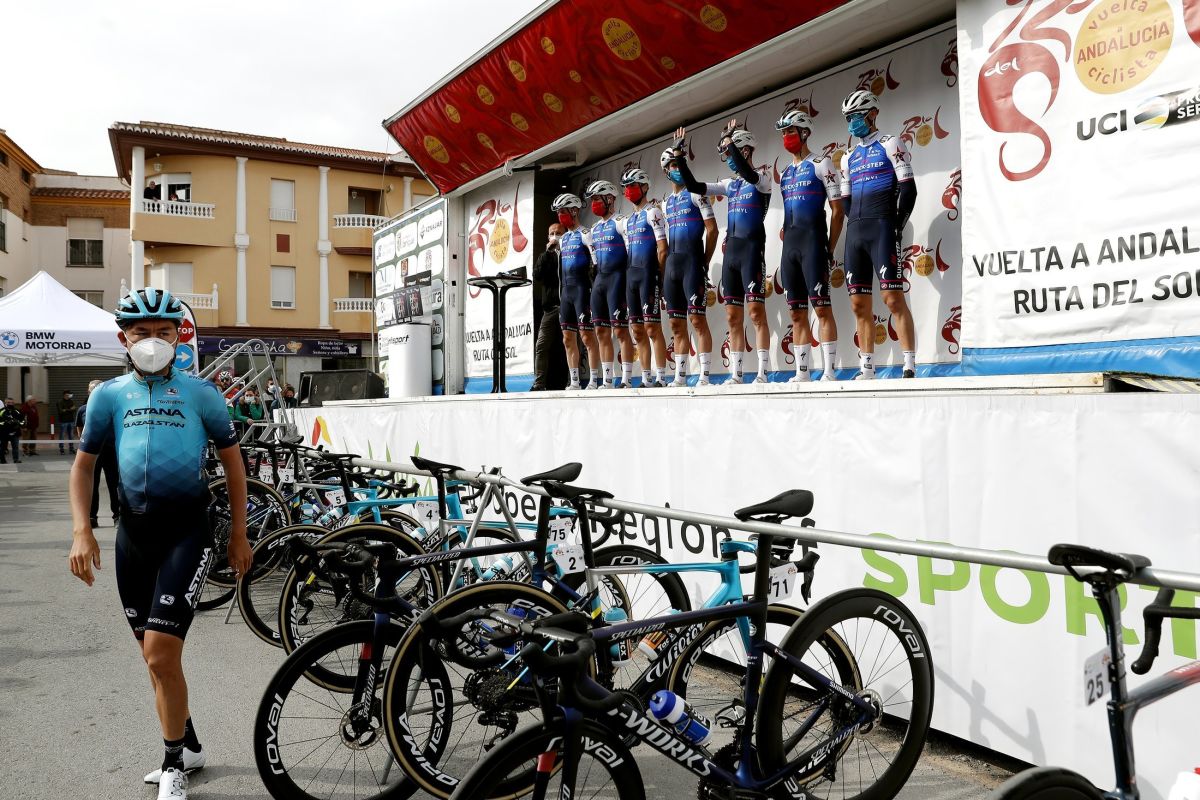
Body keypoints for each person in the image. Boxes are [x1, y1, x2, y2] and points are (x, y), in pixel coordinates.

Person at [68, 287, 250, 800]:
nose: (153, 341)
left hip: (187, 532)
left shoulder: (202, 394)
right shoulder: (107, 396)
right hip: (133, 536)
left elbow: (234, 465)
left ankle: (173, 763)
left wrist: (238, 533)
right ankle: (187, 745)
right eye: (142, 332)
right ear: (124, 339)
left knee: (160, 653)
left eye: (164, 332)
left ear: (179, 337)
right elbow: (83, 467)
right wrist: (82, 529)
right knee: (154, 658)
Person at [673, 121, 774, 385]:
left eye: (730, 153)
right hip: (731, 255)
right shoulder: (729, 185)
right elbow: (694, 186)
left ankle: (762, 373)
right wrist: (680, 157)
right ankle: (737, 374)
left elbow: (748, 174)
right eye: (726, 154)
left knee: (756, 313)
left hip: (752, 251)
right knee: (732, 316)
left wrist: (730, 142)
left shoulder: (762, 178)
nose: (728, 158)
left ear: (745, 150)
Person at [839, 90, 919, 379]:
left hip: (883, 228)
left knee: (892, 298)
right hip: (855, 232)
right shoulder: (847, 157)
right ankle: (867, 367)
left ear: (872, 114)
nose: (852, 122)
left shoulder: (890, 143)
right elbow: (845, 201)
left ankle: (909, 364)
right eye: (848, 118)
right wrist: (855, 223)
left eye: (857, 116)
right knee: (858, 304)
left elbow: (909, 190)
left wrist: (897, 225)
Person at [775, 109, 846, 382]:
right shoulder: (786, 173)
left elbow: (837, 211)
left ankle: (829, 371)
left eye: (790, 131)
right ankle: (802, 372)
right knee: (796, 312)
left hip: (814, 245)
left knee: (822, 308)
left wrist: (829, 247)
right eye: (783, 133)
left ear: (804, 133)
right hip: (790, 249)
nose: (786, 137)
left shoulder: (821, 163)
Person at [659, 142, 719, 386]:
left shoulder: (696, 193)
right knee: (675, 324)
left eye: (679, 164)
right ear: (666, 171)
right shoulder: (665, 203)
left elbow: (712, 230)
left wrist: (704, 261)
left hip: (693, 263)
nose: (677, 169)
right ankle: (680, 377)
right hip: (672, 266)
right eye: (673, 165)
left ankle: (704, 375)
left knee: (697, 320)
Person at [619, 168, 670, 387]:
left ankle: (661, 377)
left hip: (649, 274)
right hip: (632, 277)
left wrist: (661, 276)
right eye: (626, 187)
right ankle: (646, 377)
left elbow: (663, 249)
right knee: (637, 330)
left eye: (632, 186)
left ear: (645, 186)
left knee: (652, 327)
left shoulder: (653, 212)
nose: (628, 191)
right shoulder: (628, 220)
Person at [585, 179, 638, 389]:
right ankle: (607, 380)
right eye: (592, 200)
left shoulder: (621, 222)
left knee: (621, 331)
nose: (594, 204)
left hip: (618, 279)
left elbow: (631, 252)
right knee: (601, 332)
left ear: (609, 198)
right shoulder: (594, 228)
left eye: (597, 199)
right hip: (600, 281)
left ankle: (626, 379)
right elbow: (595, 262)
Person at [551, 193, 602, 390]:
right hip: (566, 292)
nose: (560, 216)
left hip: (582, 289)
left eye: (563, 211)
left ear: (574, 211)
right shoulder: (563, 239)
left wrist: (595, 290)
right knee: (567, 338)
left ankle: (594, 380)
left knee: (587, 336)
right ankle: (574, 381)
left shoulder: (586, 234)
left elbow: (596, 264)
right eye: (558, 213)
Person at [77, 379, 120, 528]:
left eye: (98, 388)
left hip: (111, 450)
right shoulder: (82, 409)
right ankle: (91, 517)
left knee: (114, 484)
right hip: (92, 452)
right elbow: (80, 429)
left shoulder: (114, 407)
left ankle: (117, 516)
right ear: (88, 392)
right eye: (92, 389)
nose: (95, 391)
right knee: (91, 484)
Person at [531, 222, 568, 391]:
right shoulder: (545, 256)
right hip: (550, 308)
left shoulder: (569, 253)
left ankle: (572, 381)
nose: (555, 236)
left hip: (568, 306)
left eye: (558, 233)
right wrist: (547, 253)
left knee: (569, 344)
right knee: (541, 345)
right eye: (552, 233)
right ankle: (539, 383)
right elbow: (537, 275)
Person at [0, 397, 24, 463]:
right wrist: (6, 423)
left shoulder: (17, 411)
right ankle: (2, 460)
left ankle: (16, 459)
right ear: (5, 403)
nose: (10, 404)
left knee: (15, 447)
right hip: (4, 432)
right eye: (8, 402)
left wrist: (18, 423)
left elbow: (22, 421)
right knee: (3, 447)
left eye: (12, 403)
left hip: (15, 432)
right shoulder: (1, 411)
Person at [57, 389, 78, 454]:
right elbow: (61, 411)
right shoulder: (60, 402)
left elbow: (74, 409)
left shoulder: (71, 401)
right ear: (65, 395)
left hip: (71, 420)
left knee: (71, 435)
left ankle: (71, 449)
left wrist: (66, 410)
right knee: (62, 435)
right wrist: (70, 409)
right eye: (68, 394)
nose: (69, 396)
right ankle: (61, 449)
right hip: (63, 421)